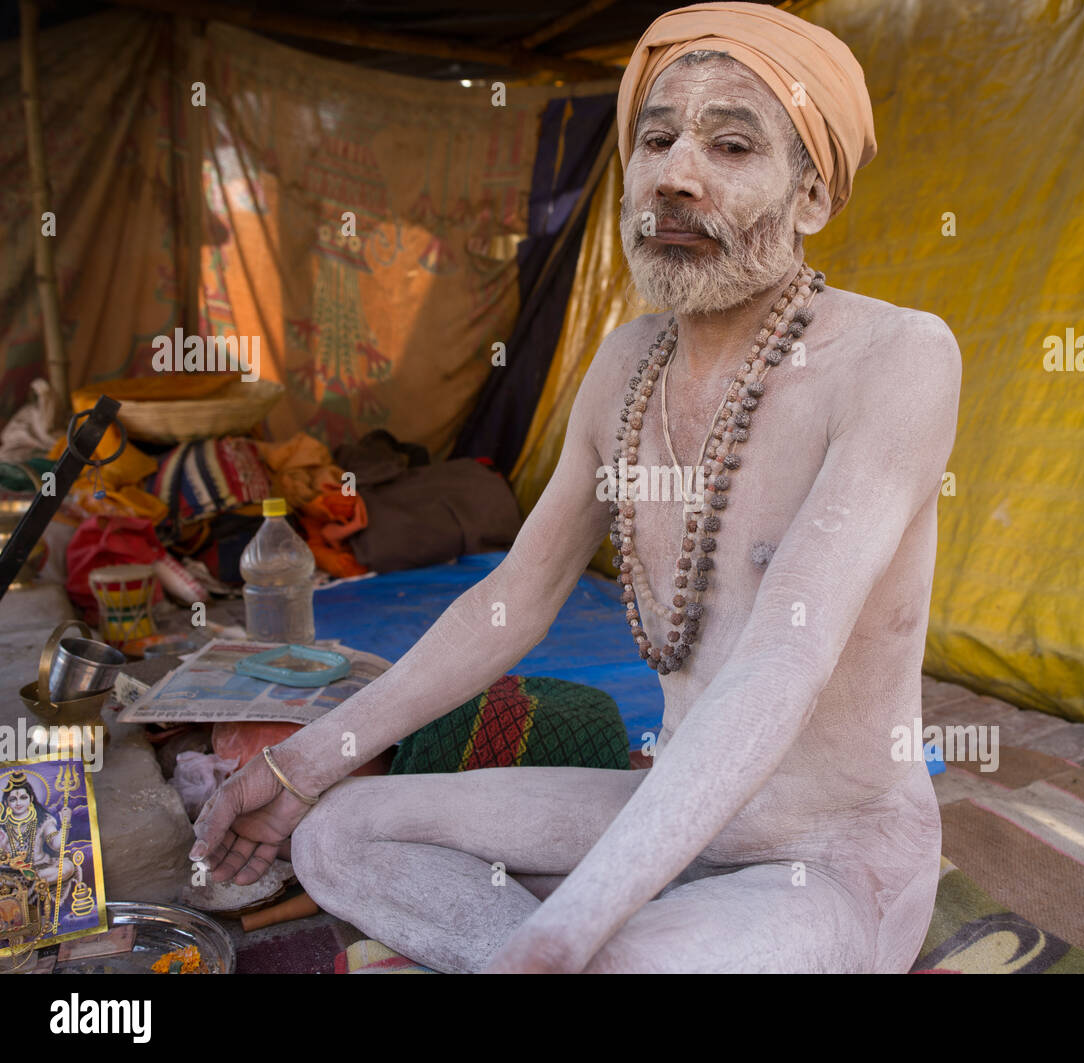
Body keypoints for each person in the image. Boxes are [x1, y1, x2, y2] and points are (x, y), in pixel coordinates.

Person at [192, 1, 961, 973]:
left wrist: (567, 931)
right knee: (336, 834)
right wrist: (297, 763)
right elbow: (510, 601)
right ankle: (577, 940)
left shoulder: (897, 356)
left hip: (830, 858)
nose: (676, 175)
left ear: (811, 195)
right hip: (666, 801)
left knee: (603, 954)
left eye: (731, 145)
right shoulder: (627, 361)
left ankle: (577, 942)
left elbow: (786, 657)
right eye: (656, 137)